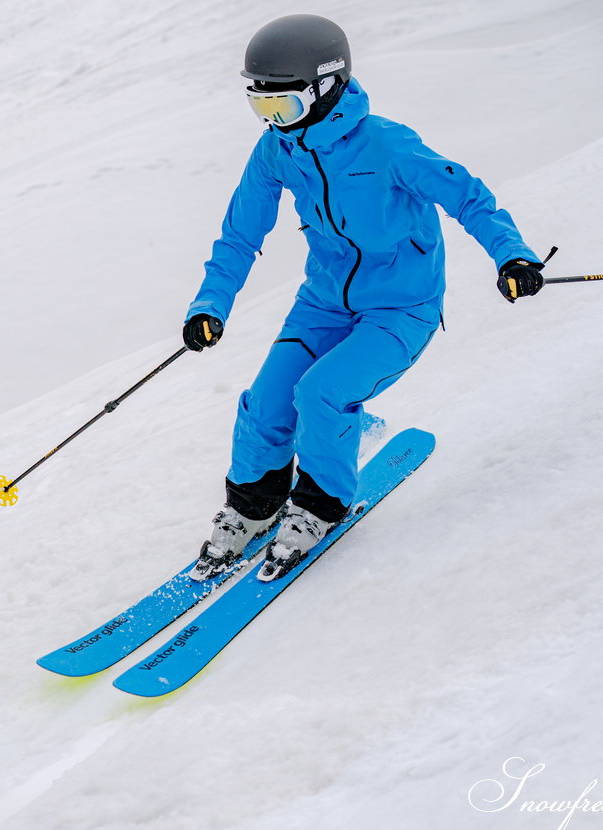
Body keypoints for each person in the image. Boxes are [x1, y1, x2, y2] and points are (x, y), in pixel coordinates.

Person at [183, 14, 544, 583]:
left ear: (325, 88)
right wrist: (209, 306)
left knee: (321, 394)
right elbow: (240, 235)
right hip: (324, 301)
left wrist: (512, 255)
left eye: (284, 107)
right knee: (266, 402)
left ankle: (319, 508)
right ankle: (254, 507)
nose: (274, 122)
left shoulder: (389, 146)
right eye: (261, 108)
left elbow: (470, 197)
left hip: (402, 308)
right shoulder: (278, 150)